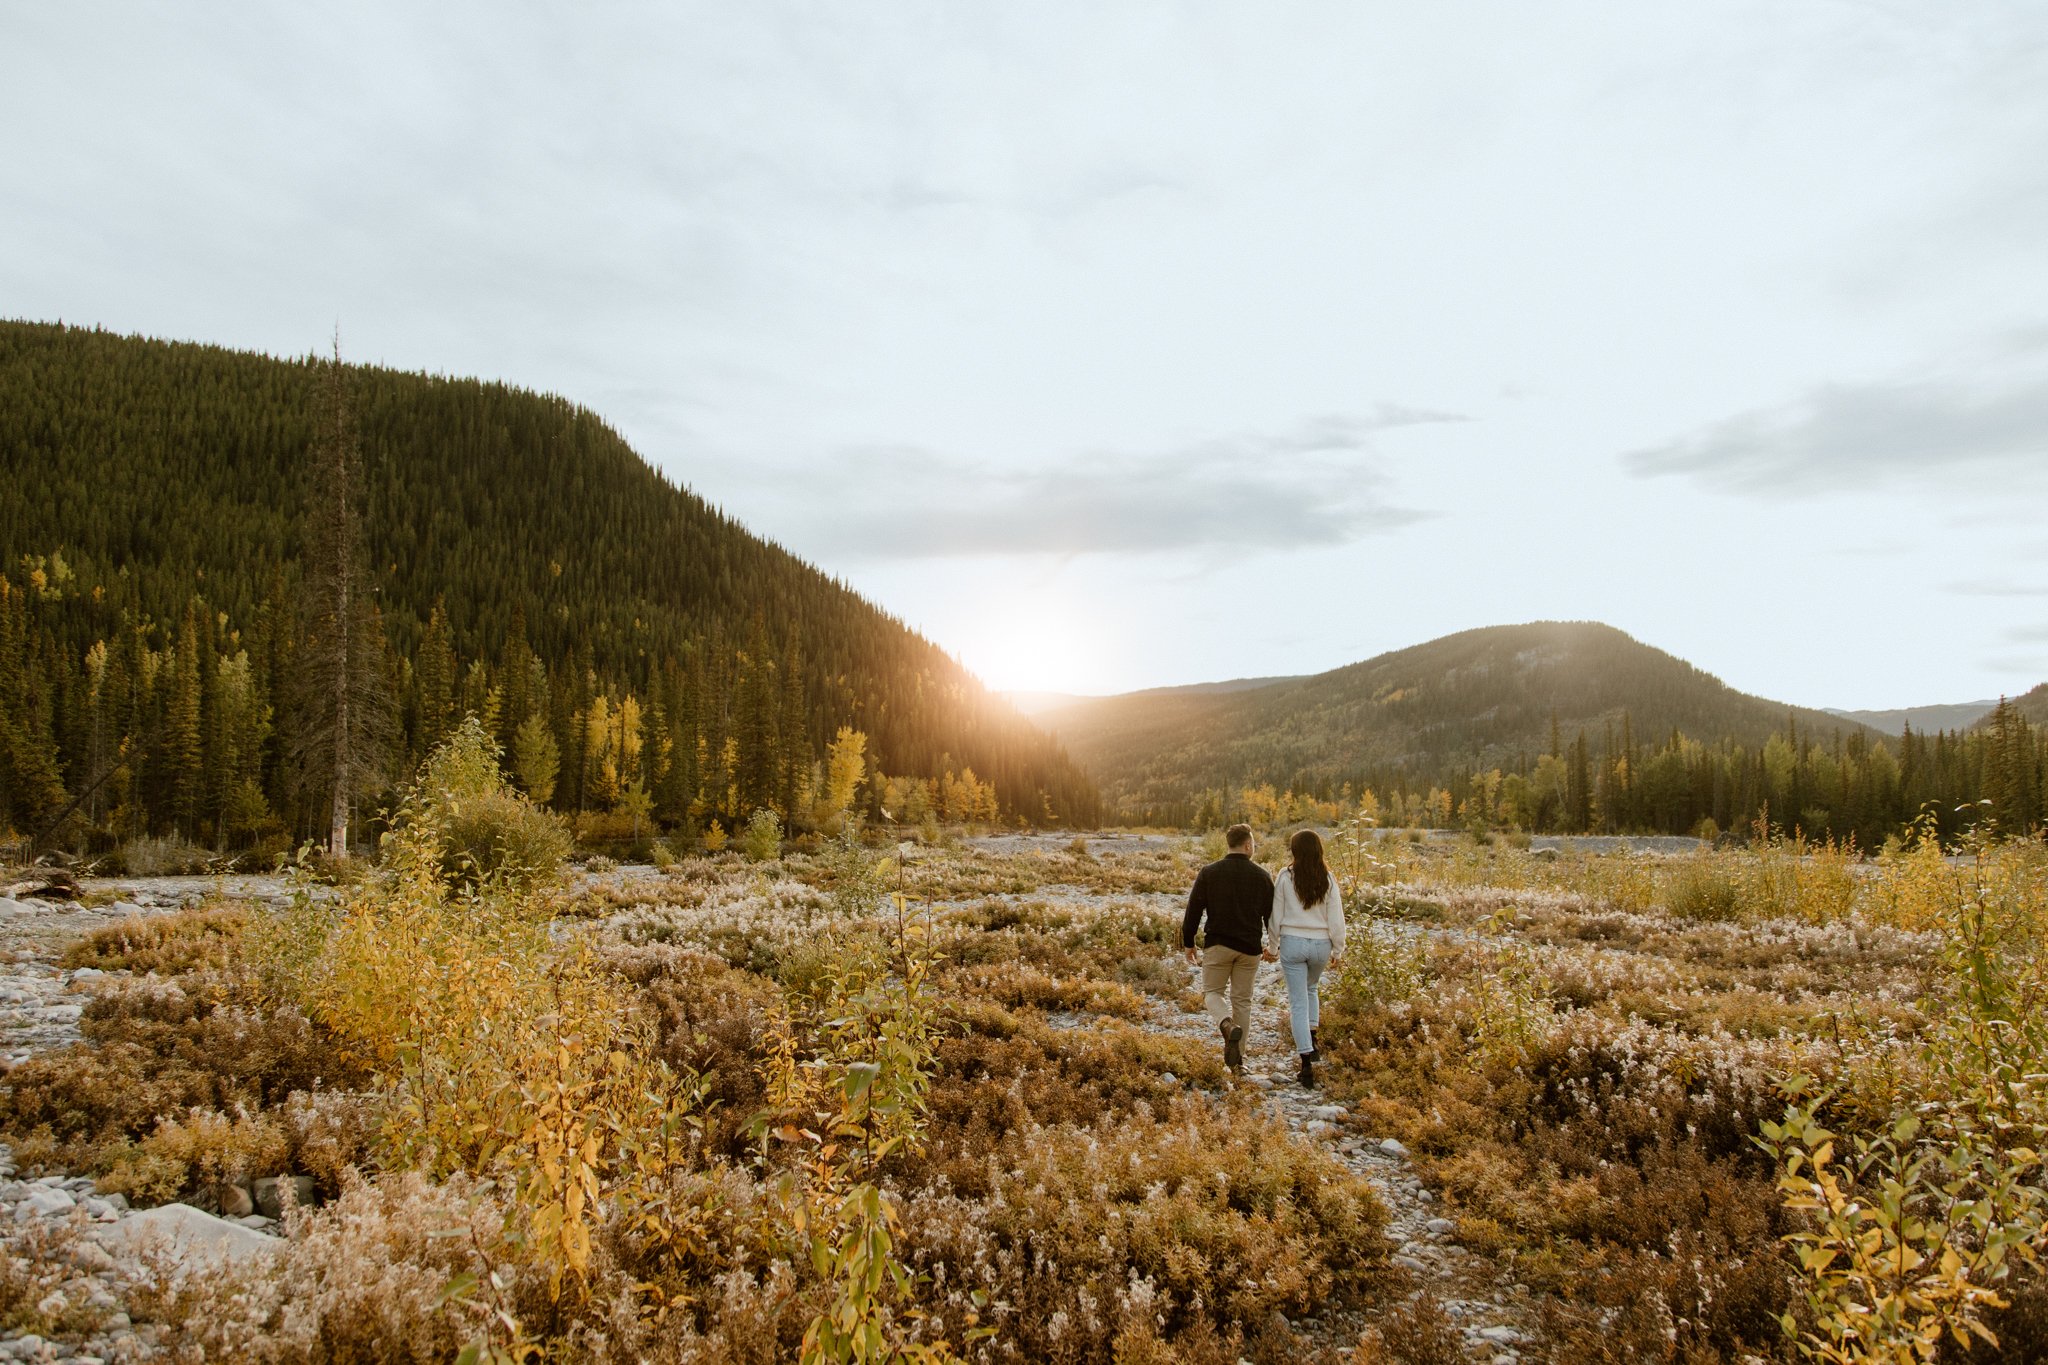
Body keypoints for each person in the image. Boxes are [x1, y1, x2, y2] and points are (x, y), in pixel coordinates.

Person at [1182, 823, 1275, 1074]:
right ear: (1247, 845)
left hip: (1218, 945)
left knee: (1212, 993)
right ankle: (1239, 1062)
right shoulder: (1262, 876)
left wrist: (1188, 941)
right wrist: (1272, 946)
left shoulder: (1209, 872)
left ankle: (1225, 1024)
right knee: (1243, 1002)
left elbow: (1194, 909)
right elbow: (1271, 917)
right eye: (1253, 843)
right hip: (1249, 948)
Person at [1273, 828, 1345, 1087]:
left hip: (1292, 943)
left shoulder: (1285, 876)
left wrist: (1272, 947)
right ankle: (1312, 1041)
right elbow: (1336, 918)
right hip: (1320, 946)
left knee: (1298, 1003)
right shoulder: (1328, 878)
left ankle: (1305, 1065)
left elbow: (1276, 916)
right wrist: (1338, 950)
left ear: (1294, 851)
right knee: (1312, 987)